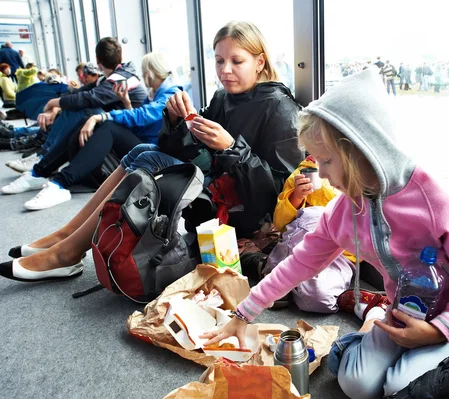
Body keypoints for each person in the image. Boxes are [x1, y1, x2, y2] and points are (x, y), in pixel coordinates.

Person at [201, 69, 449, 399]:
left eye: (327, 161)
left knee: (401, 388)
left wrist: (439, 330)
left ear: (361, 150)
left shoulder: (437, 196)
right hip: (405, 310)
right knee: (356, 385)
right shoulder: (344, 210)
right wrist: (243, 313)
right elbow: (299, 263)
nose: (320, 173)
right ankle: (374, 321)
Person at [0, 21, 303, 282]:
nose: (225, 70)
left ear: (260, 62)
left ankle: (67, 251)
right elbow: (190, 151)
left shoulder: (279, 107)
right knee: (145, 150)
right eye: (219, 60)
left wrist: (231, 148)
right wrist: (175, 122)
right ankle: (66, 237)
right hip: (221, 188)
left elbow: (279, 193)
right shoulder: (224, 97)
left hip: (248, 210)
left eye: (237, 61)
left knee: (149, 156)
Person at [1, 53, 181, 211]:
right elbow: (144, 122)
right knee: (87, 121)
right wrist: (125, 102)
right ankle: (38, 172)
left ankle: (60, 183)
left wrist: (101, 117)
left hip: (154, 153)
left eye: (144, 72)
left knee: (107, 125)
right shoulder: (159, 92)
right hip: (143, 144)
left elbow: (143, 116)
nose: (142, 76)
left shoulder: (171, 93)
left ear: (150, 72)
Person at [258, 155, 354, 312]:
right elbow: (281, 224)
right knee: (315, 215)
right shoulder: (305, 171)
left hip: (340, 256)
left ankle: (273, 273)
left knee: (319, 299)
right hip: (301, 243)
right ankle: (281, 279)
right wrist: (297, 196)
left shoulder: (364, 175)